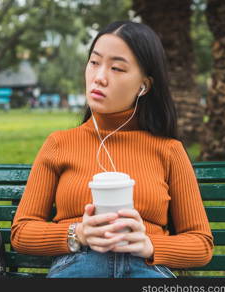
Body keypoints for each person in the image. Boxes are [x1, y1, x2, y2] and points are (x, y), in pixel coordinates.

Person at [11, 21, 214, 278]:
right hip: (78, 266)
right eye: (94, 62)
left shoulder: (169, 150)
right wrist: (78, 233)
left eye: (117, 68)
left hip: (146, 269)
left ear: (144, 85)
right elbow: (22, 232)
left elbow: (201, 244)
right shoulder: (59, 144)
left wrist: (149, 244)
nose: (99, 77)